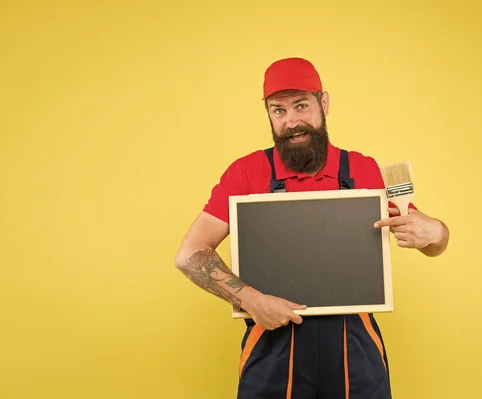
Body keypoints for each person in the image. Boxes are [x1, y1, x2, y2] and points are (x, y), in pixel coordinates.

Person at [174, 57, 449, 399]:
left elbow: (429, 241)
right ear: (269, 115)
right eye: (279, 111)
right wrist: (251, 300)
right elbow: (190, 254)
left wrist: (435, 232)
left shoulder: (361, 169)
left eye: (301, 105)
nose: (292, 121)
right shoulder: (246, 173)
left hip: (354, 343)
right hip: (271, 340)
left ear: (324, 103)